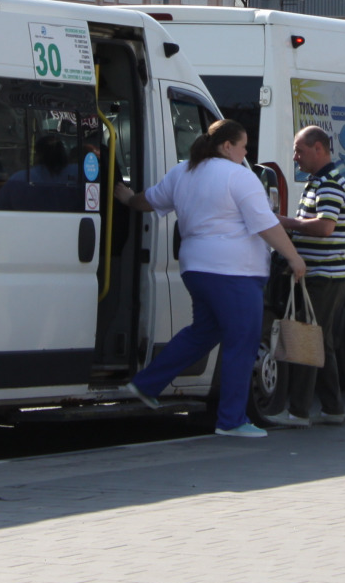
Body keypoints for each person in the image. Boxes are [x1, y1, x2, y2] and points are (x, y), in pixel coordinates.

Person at [115, 119, 305, 438]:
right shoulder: (240, 177)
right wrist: (293, 257)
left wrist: (126, 199)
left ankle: (145, 384)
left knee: (204, 332)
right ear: (227, 146)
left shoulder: (183, 172)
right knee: (241, 342)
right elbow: (266, 225)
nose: (247, 151)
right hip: (234, 272)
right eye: (243, 145)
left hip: (196, 268)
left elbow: (147, 200)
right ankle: (231, 420)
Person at [268, 126, 345, 428]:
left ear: (319, 148)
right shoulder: (319, 181)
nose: (295, 157)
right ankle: (333, 409)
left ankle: (298, 412)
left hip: (325, 276)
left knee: (306, 339)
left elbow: (325, 227)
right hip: (325, 274)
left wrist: (284, 223)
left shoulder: (328, 183)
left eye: (299, 150)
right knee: (320, 341)